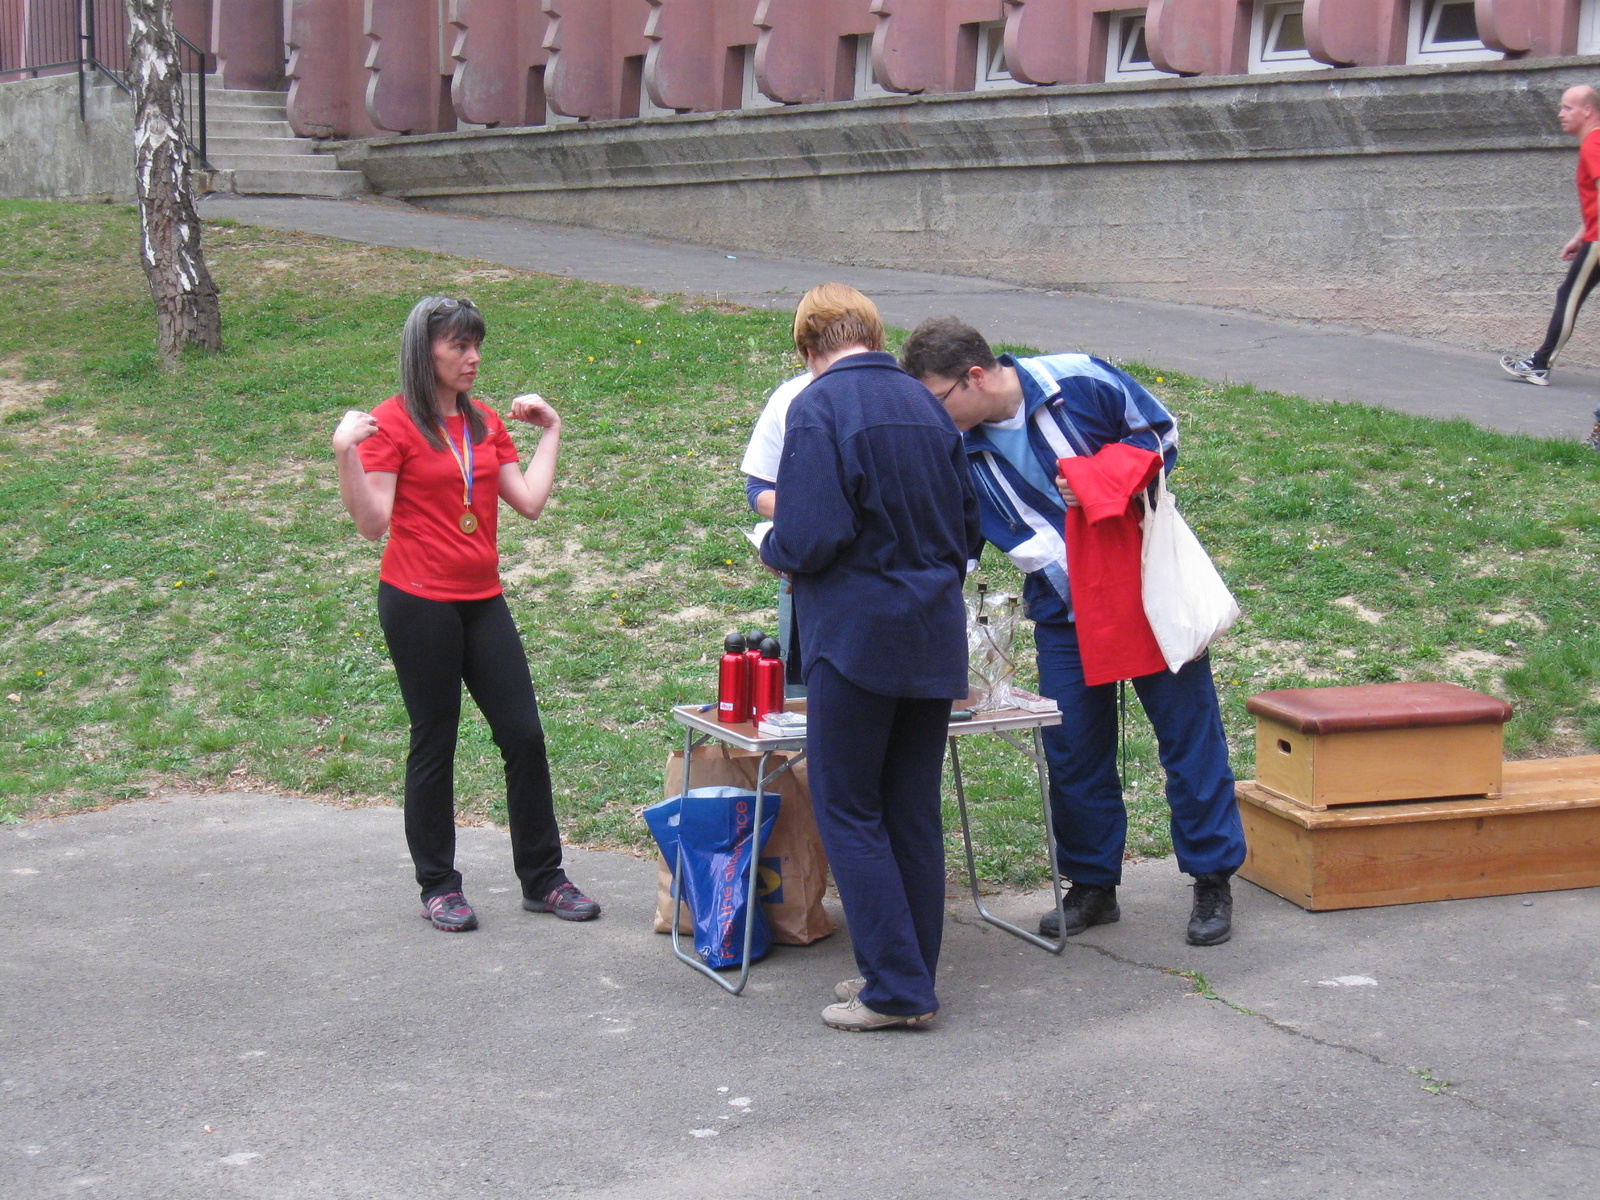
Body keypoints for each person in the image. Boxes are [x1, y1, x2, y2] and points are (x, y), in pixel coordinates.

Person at [900, 316, 1246, 947]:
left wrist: (1099, 479)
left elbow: (1160, 433)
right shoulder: (952, 439)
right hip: (1062, 606)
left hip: (1145, 587)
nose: (933, 416)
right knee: (1074, 750)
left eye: (938, 400)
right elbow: (960, 533)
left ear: (975, 377)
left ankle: (1212, 879)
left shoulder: (1078, 377)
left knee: (1188, 739)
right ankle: (1091, 884)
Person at [331, 295, 600, 932]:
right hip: (417, 601)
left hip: (481, 600)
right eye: (459, 346)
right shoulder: (390, 424)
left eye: (477, 345)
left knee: (524, 736)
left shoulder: (482, 423)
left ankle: (544, 878)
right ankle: (438, 885)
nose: (473, 357)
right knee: (436, 741)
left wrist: (553, 431)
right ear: (424, 352)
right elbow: (372, 524)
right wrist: (345, 452)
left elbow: (528, 502)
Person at [761, 285, 981, 1031]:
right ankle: (908, 974)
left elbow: (812, 531)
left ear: (807, 347)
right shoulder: (928, 405)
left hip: (856, 634)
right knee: (910, 810)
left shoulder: (817, 408)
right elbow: (968, 525)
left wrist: (775, 547)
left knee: (849, 807)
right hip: (932, 631)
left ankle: (895, 987)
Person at [1501, 85, 1600, 421]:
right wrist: (1580, 234)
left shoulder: (1594, 143)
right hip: (1594, 235)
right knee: (1568, 295)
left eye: (1568, 108)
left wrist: (1592, 239)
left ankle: (1540, 365)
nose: (1560, 114)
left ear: (1588, 110)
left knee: (1568, 297)